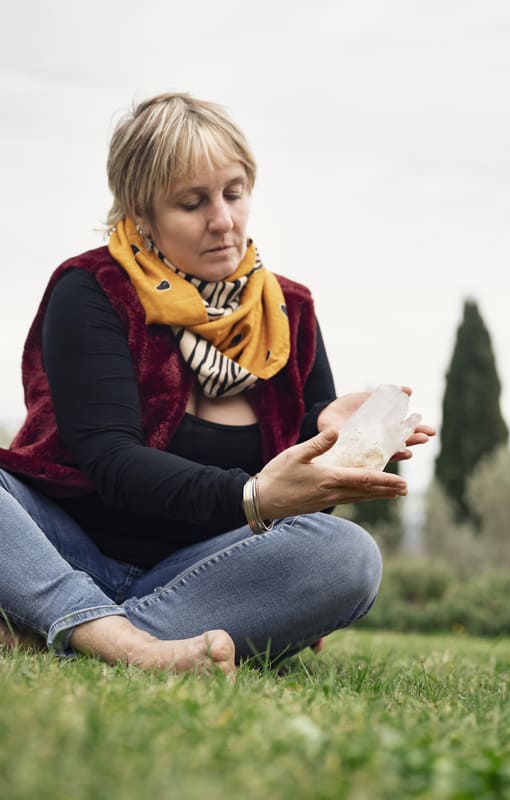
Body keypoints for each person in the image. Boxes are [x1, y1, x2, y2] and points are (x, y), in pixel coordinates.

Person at [0, 93, 433, 676]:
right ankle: (118, 640)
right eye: (191, 202)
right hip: (63, 547)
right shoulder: (94, 290)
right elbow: (112, 462)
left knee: (348, 555)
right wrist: (252, 498)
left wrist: (336, 439)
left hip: (196, 570)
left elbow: (301, 496)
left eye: (233, 193)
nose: (223, 220)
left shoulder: (290, 311)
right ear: (141, 211)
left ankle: (57, 626)